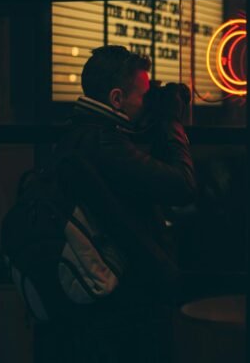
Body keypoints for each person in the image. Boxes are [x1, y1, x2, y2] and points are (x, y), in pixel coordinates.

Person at [35, 45, 196, 363]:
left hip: (92, 316)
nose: (147, 101)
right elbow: (182, 185)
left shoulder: (77, 134)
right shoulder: (103, 143)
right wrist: (171, 123)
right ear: (117, 99)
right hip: (119, 316)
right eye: (143, 94)